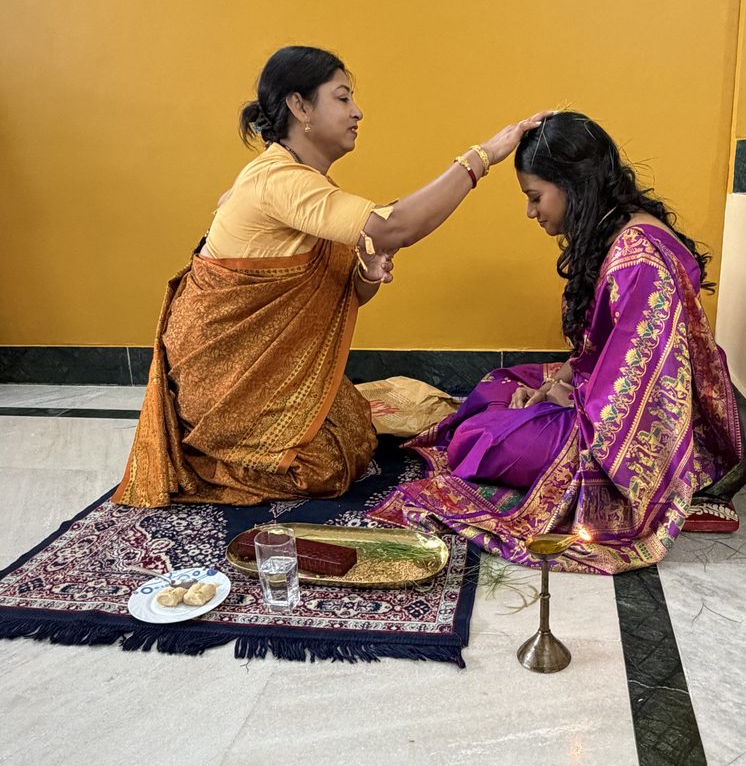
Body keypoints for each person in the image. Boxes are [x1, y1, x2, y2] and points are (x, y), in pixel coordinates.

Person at [113, 46, 549, 507]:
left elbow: (351, 289)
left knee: (355, 432)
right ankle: (205, 453)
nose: (357, 112)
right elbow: (395, 226)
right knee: (326, 466)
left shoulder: (301, 183)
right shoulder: (277, 181)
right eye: (342, 98)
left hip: (263, 371)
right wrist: (483, 155)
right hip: (223, 378)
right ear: (300, 107)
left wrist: (366, 270)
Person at [373, 112, 746, 574]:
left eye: (535, 197)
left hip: (636, 441)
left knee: (476, 438)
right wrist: (554, 386)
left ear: (573, 185)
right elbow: (600, 349)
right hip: (604, 400)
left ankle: (684, 488)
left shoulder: (638, 261)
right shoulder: (618, 231)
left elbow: (635, 406)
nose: (531, 212)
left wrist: (562, 398)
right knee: (499, 384)